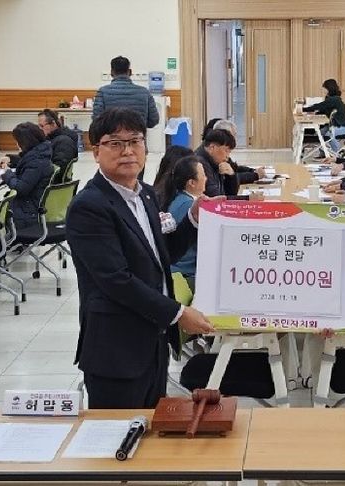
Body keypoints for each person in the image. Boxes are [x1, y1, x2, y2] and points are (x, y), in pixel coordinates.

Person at [66, 107, 214, 409]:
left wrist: (193, 219)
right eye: (115, 143)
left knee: (151, 430)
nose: (127, 151)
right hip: (116, 349)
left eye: (135, 141)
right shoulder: (89, 206)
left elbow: (160, 256)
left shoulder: (145, 194)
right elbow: (116, 280)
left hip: (153, 342)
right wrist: (178, 313)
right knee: (118, 433)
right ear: (97, 152)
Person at [159, 155, 207, 292]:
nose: (206, 178)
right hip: (186, 274)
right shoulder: (188, 205)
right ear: (192, 182)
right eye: (203, 175)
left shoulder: (181, 199)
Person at [0, 109, 79, 184]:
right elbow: (33, 159)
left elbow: (56, 170)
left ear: (53, 124)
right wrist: (11, 159)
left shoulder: (64, 142)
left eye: (42, 126)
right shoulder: (49, 138)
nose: (39, 129)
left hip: (48, 185)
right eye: (38, 126)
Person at [0, 122, 54, 229]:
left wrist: (7, 174)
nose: (17, 145)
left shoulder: (36, 162)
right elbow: (26, 165)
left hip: (28, 211)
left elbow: (21, 189)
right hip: (32, 203)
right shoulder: (40, 155)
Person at [92, 56, 159, 130]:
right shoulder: (145, 92)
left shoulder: (102, 92)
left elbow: (97, 120)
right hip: (136, 135)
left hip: (112, 135)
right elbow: (154, 120)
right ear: (130, 72)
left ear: (111, 72)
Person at [302, 79, 345, 152]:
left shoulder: (334, 99)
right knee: (319, 133)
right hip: (334, 125)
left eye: (324, 88)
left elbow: (320, 106)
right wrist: (314, 113)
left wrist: (303, 109)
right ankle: (324, 153)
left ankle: (337, 153)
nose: (323, 90)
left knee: (328, 134)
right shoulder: (330, 99)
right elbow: (324, 110)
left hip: (342, 127)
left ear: (329, 88)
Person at [195, 128, 239, 197]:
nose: (227, 156)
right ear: (212, 147)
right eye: (226, 151)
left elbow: (230, 194)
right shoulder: (200, 164)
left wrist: (231, 176)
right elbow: (216, 198)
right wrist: (248, 198)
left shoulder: (215, 161)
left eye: (229, 152)